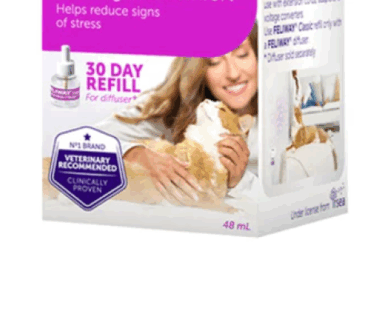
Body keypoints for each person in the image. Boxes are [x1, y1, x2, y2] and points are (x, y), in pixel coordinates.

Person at [98, 23, 260, 205]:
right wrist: (137, 156)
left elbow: (277, 206)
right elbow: (80, 144)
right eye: (214, 61)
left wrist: (239, 184)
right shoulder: (170, 111)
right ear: (198, 69)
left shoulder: (280, 120)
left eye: (242, 55)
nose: (233, 73)